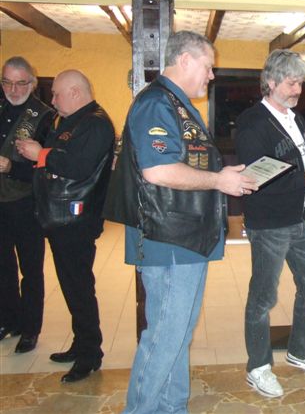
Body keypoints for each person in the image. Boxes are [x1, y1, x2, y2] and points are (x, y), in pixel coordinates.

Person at [102, 31, 257, 413]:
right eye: (208, 66)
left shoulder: (177, 105)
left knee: (178, 335)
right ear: (185, 60)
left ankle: (172, 408)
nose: (212, 75)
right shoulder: (156, 103)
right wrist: (219, 181)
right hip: (168, 237)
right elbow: (158, 171)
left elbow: (187, 162)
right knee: (164, 338)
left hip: (186, 236)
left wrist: (223, 173)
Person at [234, 49, 305, 398]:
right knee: (263, 298)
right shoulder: (252, 122)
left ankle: (300, 350)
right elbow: (255, 177)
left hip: (301, 220)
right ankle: (258, 367)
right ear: (270, 81)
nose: (298, 90)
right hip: (268, 224)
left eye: (300, 83)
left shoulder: (296, 119)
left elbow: (301, 162)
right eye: (291, 83)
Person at [16, 69, 114, 382]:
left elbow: (78, 166)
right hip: (62, 219)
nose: (53, 100)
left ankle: (89, 355)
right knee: (73, 286)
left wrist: (40, 153)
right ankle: (81, 344)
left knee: (79, 288)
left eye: (57, 94)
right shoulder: (72, 121)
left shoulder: (95, 123)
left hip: (77, 221)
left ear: (75, 92)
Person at [0, 56, 54, 353]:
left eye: (21, 83)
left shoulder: (44, 116)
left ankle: (31, 329)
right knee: (2, 266)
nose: (13, 89)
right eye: (7, 82)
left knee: (31, 270)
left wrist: (11, 167)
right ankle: (9, 319)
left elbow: (46, 167)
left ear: (32, 83)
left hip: (26, 202)